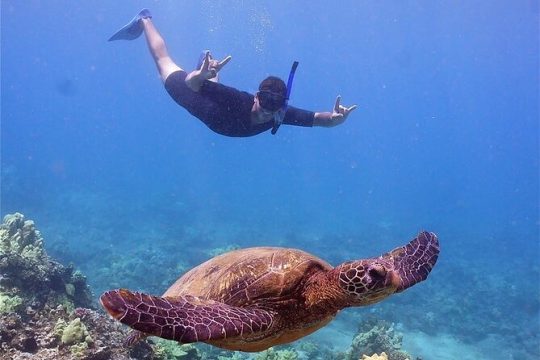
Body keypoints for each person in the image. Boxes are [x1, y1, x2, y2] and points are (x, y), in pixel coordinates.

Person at [109, 9, 357, 137]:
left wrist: (336, 119)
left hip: (213, 102)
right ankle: (145, 19)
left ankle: (208, 67)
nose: (265, 113)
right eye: (264, 104)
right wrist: (198, 76)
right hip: (191, 95)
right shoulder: (238, 99)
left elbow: (319, 119)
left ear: (281, 106)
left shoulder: (279, 114)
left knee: (211, 85)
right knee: (164, 62)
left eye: (274, 108)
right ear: (256, 96)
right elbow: (191, 85)